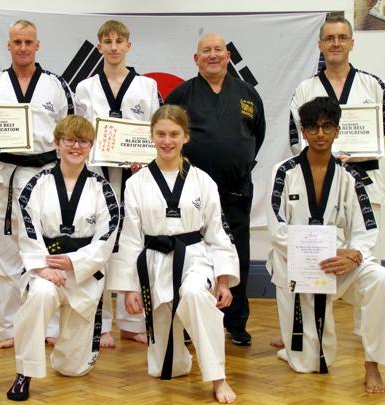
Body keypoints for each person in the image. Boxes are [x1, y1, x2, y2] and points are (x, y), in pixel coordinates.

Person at [267, 97, 385, 393]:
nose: (320, 134)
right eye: (313, 128)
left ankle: (373, 364)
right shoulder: (283, 172)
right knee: (312, 364)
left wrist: (355, 256)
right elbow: (277, 230)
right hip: (297, 268)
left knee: (383, 279)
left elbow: (366, 229)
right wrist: (328, 251)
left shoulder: (349, 176)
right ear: (303, 131)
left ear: (338, 130)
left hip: (337, 265)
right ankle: (293, 347)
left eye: (327, 127)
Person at [282, 15, 385, 349]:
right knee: (316, 252)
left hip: (365, 178)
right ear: (320, 44)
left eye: (342, 37)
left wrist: (356, 155)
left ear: (351, 42)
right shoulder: (306, 88)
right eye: (329, 38)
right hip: (319, 181)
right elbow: (296, 135)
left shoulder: (372, 85)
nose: (336, 43)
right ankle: (308, 327)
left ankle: (371, 331)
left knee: (368, 255)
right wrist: (328, 158)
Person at [109, 105, 240, 403]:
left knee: (194, 295)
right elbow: (130, 237)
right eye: (161, 134)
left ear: (185, 137)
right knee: (165, 368)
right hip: (154, 260)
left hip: (194, 257)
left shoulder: (203, 181)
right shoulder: (136, 183)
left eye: (174, 134)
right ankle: (180, 358)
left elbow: (217, 232)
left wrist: (222, 280)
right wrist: (129, 288)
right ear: (152, 136)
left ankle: (218, 378)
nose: (167, 141)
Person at [0, 19, 74, 348]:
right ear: (9, 45)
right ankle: (7, 329)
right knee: (3, 255)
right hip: (6, 174)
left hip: (45, 176)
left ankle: (49, 325)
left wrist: (67, 177)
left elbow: (71, 134)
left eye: (29, 42)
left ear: (37, 45)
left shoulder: (56, 85)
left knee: (48, 251)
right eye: (17, 42)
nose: (23, 47)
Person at [6, 115, 119, 401]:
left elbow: (107, 235)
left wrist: (75, 263)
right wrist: (42, 267)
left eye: (83, 141)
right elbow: (26, 228)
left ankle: (69, 355)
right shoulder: (37, 184)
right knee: (40, 295)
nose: (76, 146)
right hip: (47, 269)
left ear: (91, 146)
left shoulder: (101, 187)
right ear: (57, 143)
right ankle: (24, 372)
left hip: (84, 274)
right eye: (69, 140)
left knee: (73, 369)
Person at [165, 33, 265, 346]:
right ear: (196, 59)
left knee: (238, 255)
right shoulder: (181, 94)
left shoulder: (247, 94)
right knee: (192, 255)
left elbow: (258, 135)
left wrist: (236, 159)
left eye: (218, 50)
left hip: (235, 190)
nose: (213, 55)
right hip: (191, 192)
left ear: (228, 56)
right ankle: (189, 323)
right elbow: (168, 135)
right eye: (206, 51)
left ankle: (236, 322)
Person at [75, 19, 161, 347]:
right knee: (99, 245)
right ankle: (102, 324)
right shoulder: (85, 87)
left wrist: (145, 157)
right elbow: (80, 132)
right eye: (107, 42)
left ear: (128, 46)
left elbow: (154, 130)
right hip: (97, 176)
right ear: (99, 47)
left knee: (133, 243)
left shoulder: (147, 86)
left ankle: (132, 321)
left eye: (119, 41)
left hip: (135, 177)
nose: (113, 47)